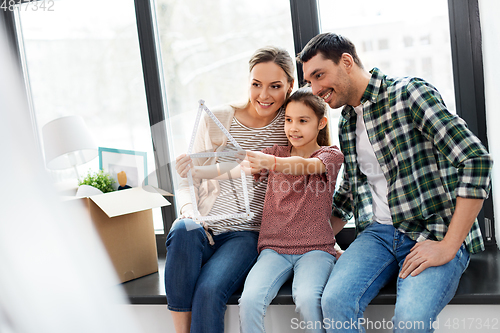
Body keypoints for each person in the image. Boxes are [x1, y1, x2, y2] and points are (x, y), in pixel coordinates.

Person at [297, 33, 493, 332]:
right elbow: (349, 193)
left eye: (319, 75)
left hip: (432, 230)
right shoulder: (348, 120)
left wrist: (448, 246)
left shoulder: (409, 93)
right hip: (378, 235)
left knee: (409, 322)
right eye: (309, 81)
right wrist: (312, 239)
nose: (315, 89)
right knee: (334, 301)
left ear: (346, 62)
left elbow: (475, 160)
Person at [164, 46, 294, 333]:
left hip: (246, 234)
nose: (264, 95)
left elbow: (314, 179)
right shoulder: (217, 118)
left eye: (275, 86)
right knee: (183, 229)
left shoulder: (291, 125)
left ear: (290, 86)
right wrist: (189, 212)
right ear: (248, 82)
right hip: (205, 226)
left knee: (209, 291)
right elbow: (188, 178)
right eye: (256, 84)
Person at [237, 89, 344, 333]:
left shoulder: (330, 155)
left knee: (308, 300)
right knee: (250, 300)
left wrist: (270, 163)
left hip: (315, 250)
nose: (293, 128)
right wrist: (199, 168)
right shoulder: (275, 153)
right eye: (288, 120)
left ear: (321, 123)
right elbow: (236, 167)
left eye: (302, 121)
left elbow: (304, 166)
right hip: (274, 250)